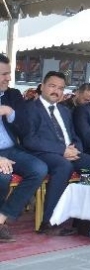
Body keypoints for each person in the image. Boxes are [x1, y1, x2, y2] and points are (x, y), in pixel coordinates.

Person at [22, 71, 90, 235]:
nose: (56, 91)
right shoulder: (30, 109)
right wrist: (62, 151)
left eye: (61, 88)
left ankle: (84, 217)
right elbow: (30, 140)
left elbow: (74, 135)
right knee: (63, 166)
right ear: (42, 87)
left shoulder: (64, 111)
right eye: (52, 86)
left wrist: (75, 149)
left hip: (69, 152)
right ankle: (49, 222)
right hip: (42, 153)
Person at [0, 54, 47, 242]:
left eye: (8, 74)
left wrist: (10, 113)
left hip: (12, 149)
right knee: (3, 176)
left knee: (39, 168)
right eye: (3, 74)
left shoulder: (12, 95)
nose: (9, 78)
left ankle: (2, 218)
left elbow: (26, 126)